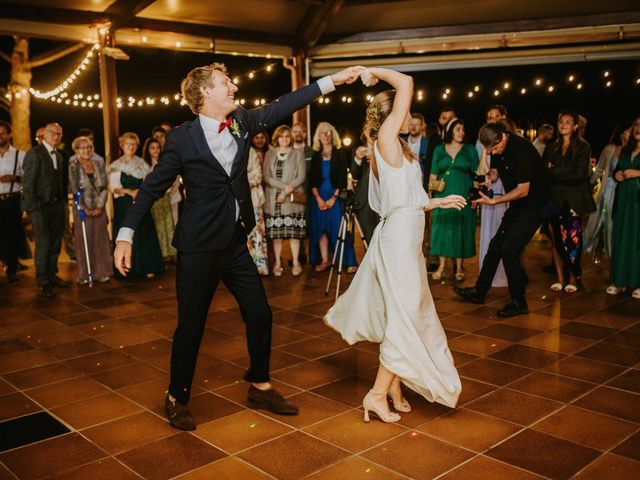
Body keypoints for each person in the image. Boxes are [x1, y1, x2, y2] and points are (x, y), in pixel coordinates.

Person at [113, 62, 364, 430]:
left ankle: (260, 385)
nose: (233, 87)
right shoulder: (182, 139)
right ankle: (176, 396)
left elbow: (285, 104)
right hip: (198, 248)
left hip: (233, 243)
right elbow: (152, 187)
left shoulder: (242, 121)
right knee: (191, 326)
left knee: (260, 314)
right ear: (204, 94)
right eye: (224, 83)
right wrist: (125, 234)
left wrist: (331, 82)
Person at [324, 67, 465, 423]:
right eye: (406, 112)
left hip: (408, 233)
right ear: (392, 115)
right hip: (399, 238)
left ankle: (394, 386)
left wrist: (438, 201)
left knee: (406, 312)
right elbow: (406, 82)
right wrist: (372, 73)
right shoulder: (386, 137)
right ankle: (375, 394)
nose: (412, 117)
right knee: (406, 315)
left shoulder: (397, 146)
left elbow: (400, 199)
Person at [454, 121, 548, 317]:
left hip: (534, 206)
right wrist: (490, 176)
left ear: (504, 135)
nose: (493, 152)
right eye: (490, 150)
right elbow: (497, 172)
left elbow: (523, 190)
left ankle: (519, 302)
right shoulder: (496, 149)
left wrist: (495, 202)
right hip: (518, 206)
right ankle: (479, 292)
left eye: (495, 148)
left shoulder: (521, 150)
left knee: (510, 249)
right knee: (496, 245)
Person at [544, 111, 595, 293]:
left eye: (568, 122)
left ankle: (573, 276)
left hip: (573, 200)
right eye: (561, 122)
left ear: (575, 126)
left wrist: (555, 170)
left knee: (572, 240)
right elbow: (545, 170)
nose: (563, 124)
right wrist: (561, 170)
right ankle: (559, 277)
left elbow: (580, 174)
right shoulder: (552, 146)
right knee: (556, 239)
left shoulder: (583, 147)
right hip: (554, 198)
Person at [22, 122, 71, 297]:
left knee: (56, 243)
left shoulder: (59, 155)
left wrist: (63, 203)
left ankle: (51, 274)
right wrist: (32, 208)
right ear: (44, 134)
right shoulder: (34, 154)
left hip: (57, 206)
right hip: (40, 208)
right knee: (43, 244)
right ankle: (42, 281)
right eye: (53, 133)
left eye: (59, 134)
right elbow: (28, 183)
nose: (56, 136)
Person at [109, 132, 164, 279]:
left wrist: (138, 192)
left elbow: (148, 185)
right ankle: (125, 268)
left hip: (139, 203)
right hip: (122, 204)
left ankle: (147, 267)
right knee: (124, 234)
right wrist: (129, 191)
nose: (131, 147)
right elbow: (114, 188)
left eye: (134, 144)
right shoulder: (115, 166)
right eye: (128, 144)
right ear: (122, 146)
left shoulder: (142, 165)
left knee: (143, 233)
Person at [429, 118, 478, 281]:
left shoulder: (470, 149)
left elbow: (476, 174)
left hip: (463, 192)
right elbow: (433, 173)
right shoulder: (439, 149)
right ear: (450, 131)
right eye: (458, 129)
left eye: (463, 130)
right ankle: (441, 266)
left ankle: (458, 268)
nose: (461, 133)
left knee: (460, 228)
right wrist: (429, 197)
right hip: (442, 194)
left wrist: (476, 196)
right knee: (442, 228)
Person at [308, 121, 357, 273]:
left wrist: (333, 199)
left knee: (339, 229)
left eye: (329, 132)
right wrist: (318, 199)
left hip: (334, 196)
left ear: (333, 135)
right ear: (319, 136)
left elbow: (343, 178)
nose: (326, 135)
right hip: (319, 196)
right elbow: (311, 179)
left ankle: (348, 261)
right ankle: (325, 260)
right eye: (323, 133)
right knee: (320, 230)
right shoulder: (315, 154)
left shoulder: (339, 153)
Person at [68, 136, 112, 285]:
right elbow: (73, 188)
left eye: (88, 147)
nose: (86, 150)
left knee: (100, 239)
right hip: (81, 208)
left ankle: (102, 272)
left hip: (99, 206)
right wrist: (84, 208)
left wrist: (100, 206)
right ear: (77, 150)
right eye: (82, 148)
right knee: (82, 240)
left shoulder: (98, 162)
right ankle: (84, 274)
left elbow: (105, 186)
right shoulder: (73, 164)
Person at [263, 125, 306, 277]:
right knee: (277, 235)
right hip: (274, 200)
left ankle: (295, 262)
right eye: (282, 136)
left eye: (287, 136)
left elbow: (301, 176)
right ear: (277, 138)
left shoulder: (298, 153)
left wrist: (286, 191)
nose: (285, 139)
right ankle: (278, 264)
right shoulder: (270, 153)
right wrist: (283, 188)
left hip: (292, 200)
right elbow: (266, 177)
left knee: (294, 234)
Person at [584, 124, 631, 262]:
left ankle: (613, 251)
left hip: (622, 191)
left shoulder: (634, 151)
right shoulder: (610, 149)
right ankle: (599, 248)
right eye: (629, 130)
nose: (633, 132)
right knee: (601, 219)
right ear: (621, 133)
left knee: (615, 223)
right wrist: (588, 185)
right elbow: (599, 170)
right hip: (608, 189)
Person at [476, 105, 509, 287]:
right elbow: (482, 171)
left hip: (505, 192)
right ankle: (486, 273)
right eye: (489, 117)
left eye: (496, 116)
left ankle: (503, 276)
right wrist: (484, 151)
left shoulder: (508, 141)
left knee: (501, 232)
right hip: (489, 191)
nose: (493, 120)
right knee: (487, 232)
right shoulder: (482, 142)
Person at [608, 115, 640, 298]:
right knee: (622, 238)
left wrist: (638, 172)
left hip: (638, 203)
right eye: (636, 124)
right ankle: (620, 281)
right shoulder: (626, 151)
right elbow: (616, 170)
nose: (638, 128)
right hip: (624, 201)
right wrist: (617, 174)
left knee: (638, 240)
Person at [143, 137, 177, 262]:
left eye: (157, 148)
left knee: (168, 224)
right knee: (157, 226)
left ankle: (170, 252)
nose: (155, 150)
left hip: (166, 196)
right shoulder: (145, 165)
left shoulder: (165, 162)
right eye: (152, 148)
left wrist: (171, 190)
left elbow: (174, 179)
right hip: (154, 199)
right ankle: (161, 254)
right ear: (148, 150)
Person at [0, 121, 26, 284]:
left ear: (9, 135)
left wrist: (15, 177)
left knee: (11, 235)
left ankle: (11, 270)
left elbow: (28, 178)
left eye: (2, 133)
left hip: (12, 198)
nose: (0, 136)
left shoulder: (20, 155)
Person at [247, 132, 269, 275]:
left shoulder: (251, 152)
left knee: (257, 233)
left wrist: (243, 183)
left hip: (253, 197)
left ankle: (260, 265)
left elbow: (257, 174)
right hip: (234, 199)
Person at [350, 145, 380, 245]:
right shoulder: (359, 150)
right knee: (368, 237)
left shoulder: (386, 147)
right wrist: (358, 158)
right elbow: (354, 174)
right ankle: (370, 260)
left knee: (384, 235)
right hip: (364, 202)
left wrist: (376, 158)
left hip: (383, 199)